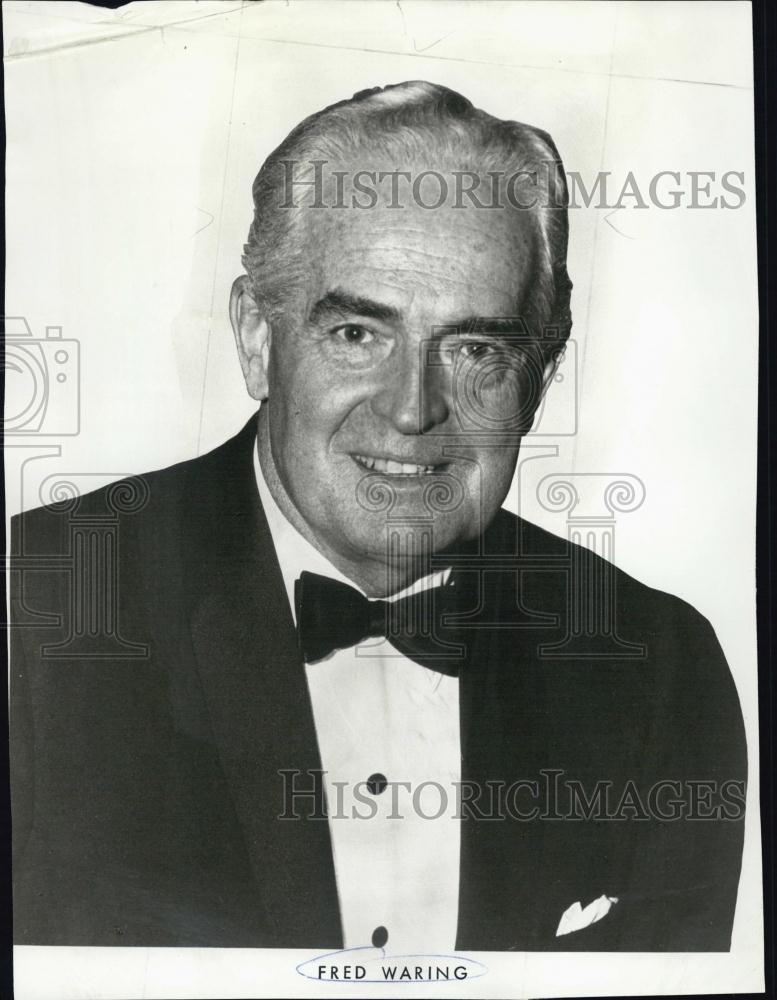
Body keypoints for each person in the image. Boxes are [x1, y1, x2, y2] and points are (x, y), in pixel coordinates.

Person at [9, 81, 746, 952]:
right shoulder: (37, 613)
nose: (411, 410)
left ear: (539, 379)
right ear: (256, 338)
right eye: (358, 333)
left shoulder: (657, 669)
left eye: (475, 349)